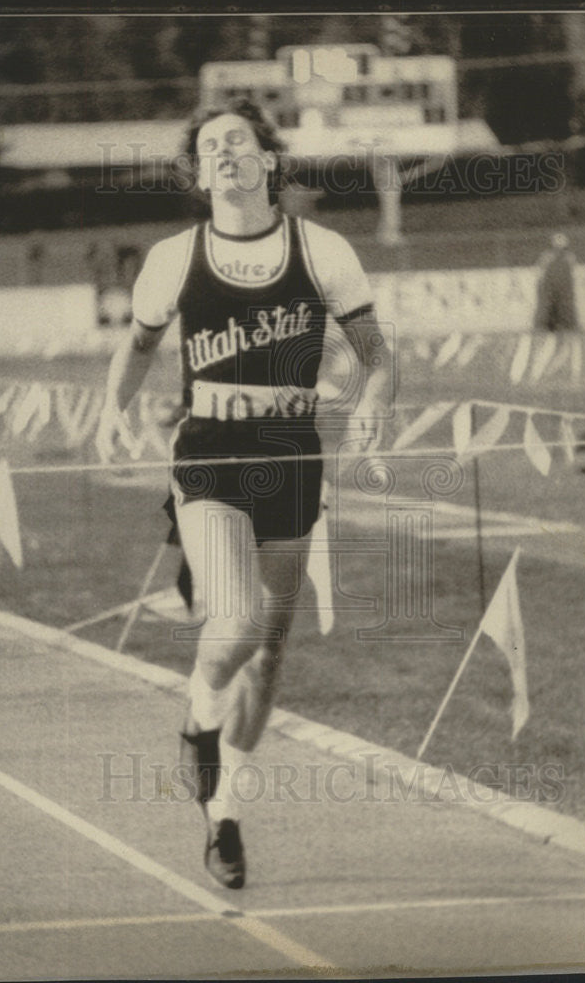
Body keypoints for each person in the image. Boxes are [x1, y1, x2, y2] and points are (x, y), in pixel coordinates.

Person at [96, 99, 392, 889]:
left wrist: (372, 406)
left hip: (293, 458)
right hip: (209, 460)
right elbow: (136, 348)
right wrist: (111, 409)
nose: (224, 153)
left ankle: (223, 815)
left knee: (269, 657)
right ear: (197, 173)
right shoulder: (172, 258)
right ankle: (197, 718)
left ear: (267, 157)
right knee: (234, 622)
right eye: (208, 147)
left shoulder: (321, 248)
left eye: (238, 141)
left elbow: (377, 358)